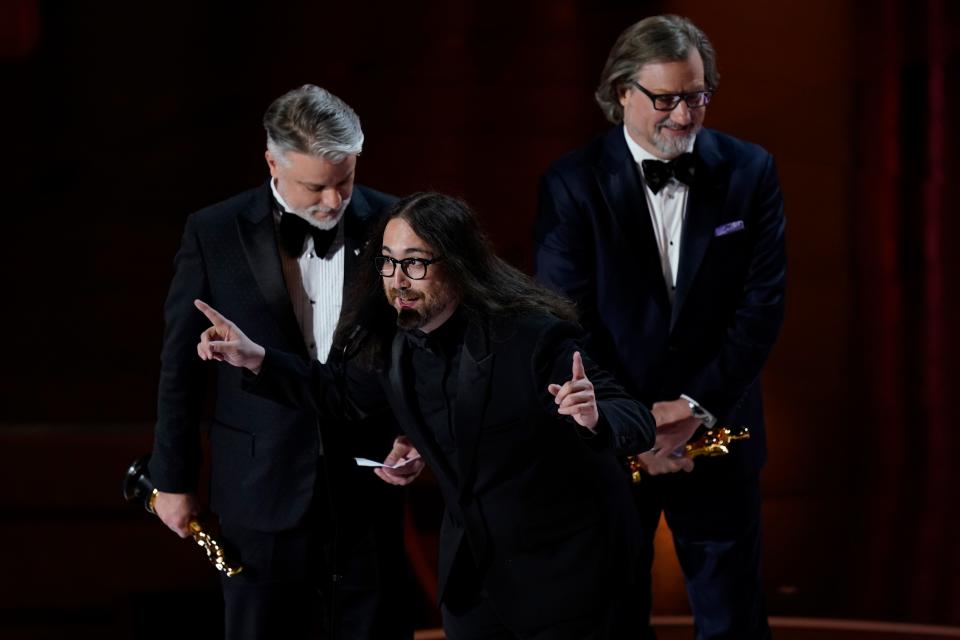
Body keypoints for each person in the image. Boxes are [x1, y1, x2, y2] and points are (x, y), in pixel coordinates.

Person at [194, 192, 658, 640]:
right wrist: (255, 357)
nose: (397, 280)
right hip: (474, 580)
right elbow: (337, 393)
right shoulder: (393, 343)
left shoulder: (531, 338)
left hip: (570, 577)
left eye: (415, 262)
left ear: (457, 264)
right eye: (388, 262)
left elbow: (636, 418)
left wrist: (593, 416)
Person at [534, 15, 786, 640]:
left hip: (718, 429)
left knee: (734, 620)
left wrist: (695, 407)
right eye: (666, 98)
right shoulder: (571, 183)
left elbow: (762, 306)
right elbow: (563, 322)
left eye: (697, 95)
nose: (685, 114)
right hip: (615, 443)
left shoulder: (750, 171)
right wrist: (636, 427)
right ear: (622, 91)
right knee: (612, 617)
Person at [149, 84, 412, 639]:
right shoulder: (214, 231)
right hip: (258, 484)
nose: (334, 201)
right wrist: (171, 480)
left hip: (368, 485)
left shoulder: (398, 223)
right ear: (272, 162)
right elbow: (181, 368)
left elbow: (419, 351)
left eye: (345, 180)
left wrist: (413, 435)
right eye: (316, 186)